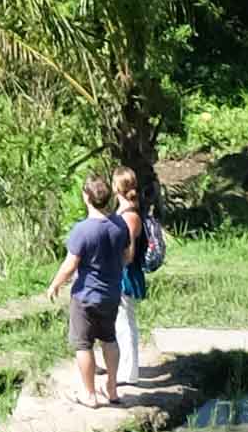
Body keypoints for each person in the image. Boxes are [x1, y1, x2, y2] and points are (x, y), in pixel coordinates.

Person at [46, 175, 125, 407]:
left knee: (83, 344)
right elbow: (126, 255)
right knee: (109, 339)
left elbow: (70, 264)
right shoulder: (119, 226)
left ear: (86, 198)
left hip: (86, 296)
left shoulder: (82, 230)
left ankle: (89, 394)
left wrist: (55, 284)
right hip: (112, 293)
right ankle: (112, 389)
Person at [112, 164, 165, 380]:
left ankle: (129, 373)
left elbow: (129, 254)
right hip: (123, 273)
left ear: (117, 186)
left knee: (125, 324)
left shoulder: (130, 216)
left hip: (125, 274)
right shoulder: (127, 211)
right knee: (121, 323)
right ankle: (125, 369)